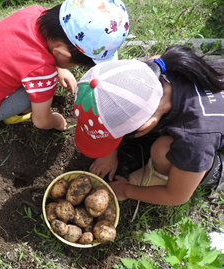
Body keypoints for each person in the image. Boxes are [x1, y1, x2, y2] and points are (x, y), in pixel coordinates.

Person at [73, 45, 224, 206]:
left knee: (161, 151)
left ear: (145, 126)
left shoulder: (196, 139)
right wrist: (109, 152)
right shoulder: (156, 67)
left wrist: (126, 190)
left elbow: (176, 197)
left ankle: (176, 174)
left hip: (211, 142)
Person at [0, 0, 129, 130]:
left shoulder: (35, 13)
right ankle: (11, 114)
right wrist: (57, 120)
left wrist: (59, 68)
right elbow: (41, 121)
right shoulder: (42, 71)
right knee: (37, 94)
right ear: (61, 53)